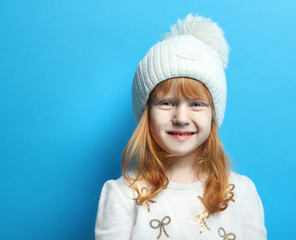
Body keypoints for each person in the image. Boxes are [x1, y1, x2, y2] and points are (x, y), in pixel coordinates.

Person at [95, 14, 266, 240]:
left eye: (196, 104)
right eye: (167, 103)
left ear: (213, 114)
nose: (181, 117)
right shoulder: (122, 195)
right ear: (147, 113)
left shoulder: (241, 192)